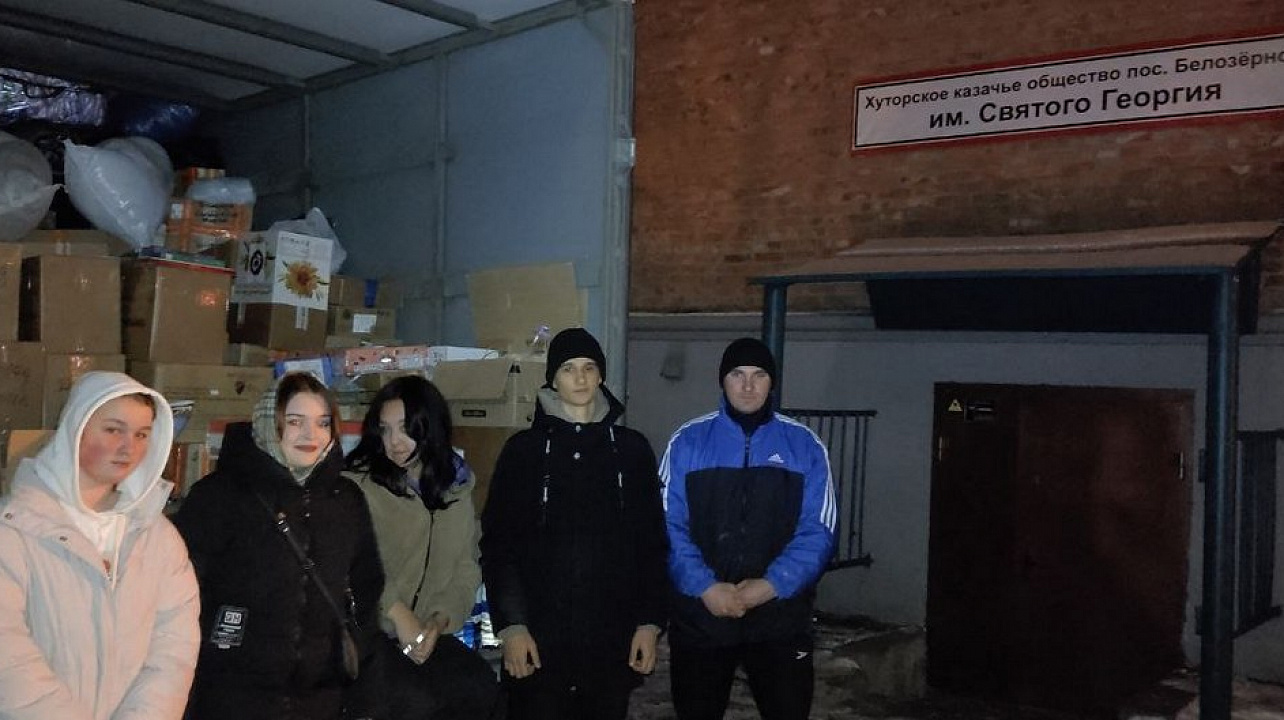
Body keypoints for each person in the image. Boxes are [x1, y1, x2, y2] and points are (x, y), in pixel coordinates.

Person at [480, 327, 669, 720]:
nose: (580, 378)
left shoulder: (631, 450)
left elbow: (651, 545)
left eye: (589, 368)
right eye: (568, 369)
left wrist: (649, 623)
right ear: (553, 379)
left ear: (601, 376)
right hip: (539, 642)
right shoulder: (524, 452)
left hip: (610, 642)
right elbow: (499, 546)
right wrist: (512, 627)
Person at [174, 372, 384, 720]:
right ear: (269, 424)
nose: (310, 435)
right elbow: (180, 593)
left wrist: (359, 677)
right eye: (295, 421)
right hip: (231, 697)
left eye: (322, 423)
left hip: (320, 700)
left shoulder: (346, 500)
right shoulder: (220, 496)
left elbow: (366, 589)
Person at [0, 370, 200, 720]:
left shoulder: (158, 539)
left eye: (142, 434)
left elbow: (173, 648)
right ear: (75, 429)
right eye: (113, 430)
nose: (129, 447)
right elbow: (8, 656)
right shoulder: (14, 530)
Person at [660, 337, 836, 720]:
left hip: (779, 619)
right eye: (737, 374)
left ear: (772, 383)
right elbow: (667, 524)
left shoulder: (804, 445)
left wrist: (771, 585)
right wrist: (704, 587)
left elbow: (818, 530)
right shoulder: (688, 441)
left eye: (759, 375)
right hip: (702, 617)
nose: (748, 385)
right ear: (722, 381)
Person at [343, 375, 500, 719]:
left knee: (482, 688)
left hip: (427, 633)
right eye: (385, 430)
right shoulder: (359, 486)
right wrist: (399, 615)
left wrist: (439, 620)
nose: (394, 442)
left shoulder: (456, 488)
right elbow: (351, 563)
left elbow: (466, 566)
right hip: (367, 633)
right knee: (414, 702)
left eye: (405, 428)